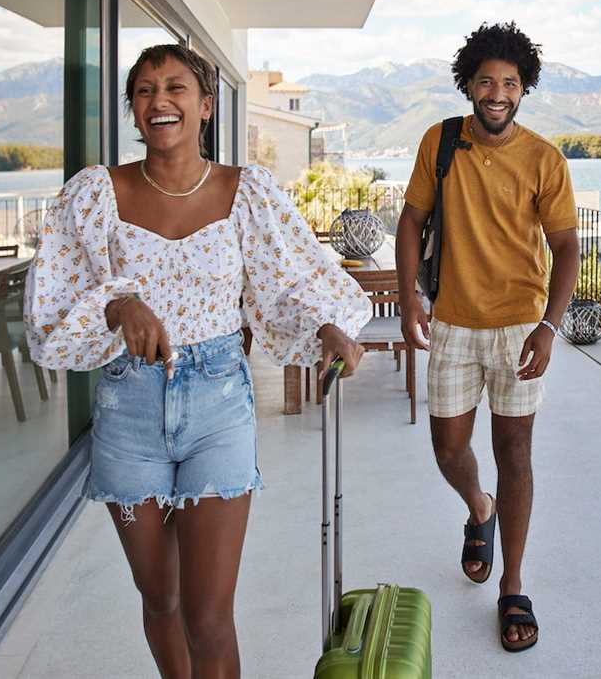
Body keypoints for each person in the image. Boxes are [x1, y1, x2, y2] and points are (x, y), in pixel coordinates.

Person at [24, 44, 369, 678]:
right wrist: (116, 304)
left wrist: (327, 325)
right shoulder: (96, 194)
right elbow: (51, 306)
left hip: (217, 404)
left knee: (209, 615)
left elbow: (289, 280)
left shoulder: (246, 192)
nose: (161, 101)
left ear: (205, 105)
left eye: (176, 88)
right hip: (129, 408)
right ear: (133, 108)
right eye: (146, 90)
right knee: (161, 600)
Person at [396, 22, 580, 652]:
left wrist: (550, 327)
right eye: (486, 81)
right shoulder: (441, 143)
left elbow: (565, 247)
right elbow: (412, 218)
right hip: (451, 320)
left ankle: (514, 584)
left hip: (519, 329)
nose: (497, 92)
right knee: (449, 449)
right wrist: (407, 297)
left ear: (524, 88)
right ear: (468, 85)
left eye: (509, 82)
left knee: (516, 455)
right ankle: (480, 509)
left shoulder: (544, 160)